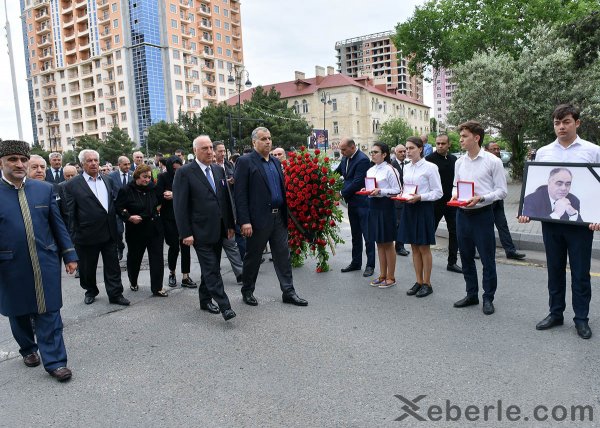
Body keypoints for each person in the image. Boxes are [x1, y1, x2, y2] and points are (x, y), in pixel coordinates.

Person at [519, 104, 600, 339]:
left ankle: (581, 319)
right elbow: (536, 184)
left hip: (581, 225)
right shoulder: (544, 152)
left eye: (566, 121)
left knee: (581, 273)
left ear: (577, 123)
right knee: (554, 270)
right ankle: (555, 313)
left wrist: (598, 217)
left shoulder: (593, 151)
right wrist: (527, 211)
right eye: (557, 122)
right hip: (551, 223)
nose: (561, 127)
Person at [0, 140, 78, 382]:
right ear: (1, 162)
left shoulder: (43, 189)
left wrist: (69, 254)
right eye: (13, 159)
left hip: (44, 262)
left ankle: (55, 362)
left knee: (49, 310)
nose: (19, 164)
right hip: (9, 265)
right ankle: (28, 348)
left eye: (23, 160)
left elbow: (58, 225)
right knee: (19, 312)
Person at [234, 127, 308, 307]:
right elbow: (240, 194)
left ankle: (289, 292)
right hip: (258, 220)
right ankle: (248, 291)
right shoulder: (245, 162)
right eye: (263, 139)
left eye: (269, 138)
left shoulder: (275, 162)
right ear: (254, 142)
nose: (268, 141)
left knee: (283, 256)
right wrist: (245, 221)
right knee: (253, 257)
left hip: (278, 219)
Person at [173, 135, 236, 321]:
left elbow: (225, 199)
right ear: (195, 151)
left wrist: (230, 225)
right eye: (204, 148)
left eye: (210, 147)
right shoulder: (185, 172)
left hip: (218, 229)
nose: (210, 151)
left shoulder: (217, 169)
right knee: (212, 269)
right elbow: (180, 205)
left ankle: (204, 299)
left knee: (212, 267)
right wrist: (185, 233)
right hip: (198, 232)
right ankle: (225, 306)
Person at [452, 121, 507, 316]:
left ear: (476, 138)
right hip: (462, 214)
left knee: (487, 259)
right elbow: (456, 186)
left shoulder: (493, 161)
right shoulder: (459, 161)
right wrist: (455, 195)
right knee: (466, 256)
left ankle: (488, 297)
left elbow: (502, 191)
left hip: (483, 214)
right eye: (460, 136)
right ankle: (471, 294)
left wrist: (482, 198)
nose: (461, 139)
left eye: (464, 136)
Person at [64, 149, 130, 306]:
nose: (93, 163)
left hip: (109, 232)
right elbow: (70, 213)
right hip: (86, 235)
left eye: (95, 160)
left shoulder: (107, 180)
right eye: (89, 160)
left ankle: (115, 294)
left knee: (113, 266)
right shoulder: (72, 185)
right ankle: (90, 290)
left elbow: (113, 203)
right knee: (87, 268)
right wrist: (72, 239)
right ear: (82, 164)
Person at [399, 137, 443, 297]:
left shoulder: (431, 167)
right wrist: (402, 194)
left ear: (420, 149)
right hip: (409, 208)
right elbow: (407, 187)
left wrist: (420, 197)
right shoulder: (407, 167)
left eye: (411, 148)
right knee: (414, 247)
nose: (408, 152)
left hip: (423, 208)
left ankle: (427, 283)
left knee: (424, 247)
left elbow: (438, 192)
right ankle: (418, 281)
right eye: (406, 149)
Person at [115, 165, 167, 297]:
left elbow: (161, 201)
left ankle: (157, 287)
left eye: (149, 177)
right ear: (137, 176)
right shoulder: (126, 190)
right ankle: (133, 281)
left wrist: (166, 198)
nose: (147, 180)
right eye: (144, 177)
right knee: (134, 258)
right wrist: (129, 217)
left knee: (157, 259)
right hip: (136, 230)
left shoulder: (153, 188)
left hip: (155, 229)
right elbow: (118, 207)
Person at [334, 137, 376, 277]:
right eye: (341, 149)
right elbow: (337, 172)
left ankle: (370, 265)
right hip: (352, 202)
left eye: (344, 149)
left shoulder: (362, 159)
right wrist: (323, 177)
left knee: (367, 235)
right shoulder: (345, 158)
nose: (342, 152)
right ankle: (356, 262)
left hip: (363, 203)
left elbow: (357, 182)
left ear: (352, 147)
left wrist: (340, 193)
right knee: (355, 234)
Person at [363, 142, 401, 288]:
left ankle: (391, 276)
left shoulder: (390, 169)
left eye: (375, 152)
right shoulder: (370, 170)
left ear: (384, 154)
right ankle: (382, 274)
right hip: (373, 206)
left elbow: (398, 190)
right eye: (371, 152)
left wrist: (381, 191)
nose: (372, 154)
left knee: (388, 242)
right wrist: (366, 189)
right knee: (378, 241)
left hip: (386, 206)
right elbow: (370, 187)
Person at [156, 155, 197, 288]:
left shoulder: (186, 175)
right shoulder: (163, 177)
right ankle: (172, 273)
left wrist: (175, 194)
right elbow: (158, 195)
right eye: (174, 169)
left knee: (186, 246)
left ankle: (186, 276)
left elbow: (192, 194)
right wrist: (165, 195)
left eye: (178, 168)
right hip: (169, 217)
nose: (176, 171)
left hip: (184, 217)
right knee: (173, 246)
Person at [426, 133, 462, 273]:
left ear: (449, 145)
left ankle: (452, 262)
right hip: (435, 203)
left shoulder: (454, 159)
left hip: (452, 202)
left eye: (443, 143)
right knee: (430, 231)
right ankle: (422, 257)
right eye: (438, 143)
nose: (440, 146)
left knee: (454, 232)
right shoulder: (429, 160)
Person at [484, 142, 526, 260]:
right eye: (494, 149)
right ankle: (479, 250)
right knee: (485, 227)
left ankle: (510, 251)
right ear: (486, 150)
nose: (497, 151)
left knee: (502, 226)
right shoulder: (484, 163)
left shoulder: (498, 163)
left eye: (498, 149)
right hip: (487, 200)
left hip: (498, 200)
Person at [214, 142, 244, 284]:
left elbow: (237, 181)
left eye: (224, 151)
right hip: (213, 215)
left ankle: (240, 274)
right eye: (219, 151)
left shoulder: (228, 165)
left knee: (232, 244)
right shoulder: (209, 168)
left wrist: (232, 181)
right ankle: (213, 276)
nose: (223, 153)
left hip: (229, 209)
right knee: (214, 250)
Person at [109, 156, 133, 261]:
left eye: (129, 164)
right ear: (119, 165)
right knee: (118, 231)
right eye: (125, 164)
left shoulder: (133, 175)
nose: (128, 166)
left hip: (131, 208)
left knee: (131, 232)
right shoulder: (111, 176)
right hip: (117, 208)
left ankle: (132, 250)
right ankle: (120, 246)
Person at [391, 144, 409, 257]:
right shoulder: (391, 165)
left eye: (404, 151)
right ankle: (399, 247)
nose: (403, 153)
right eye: (400, 152)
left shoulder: (408, 165)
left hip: (406, 198)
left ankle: (400, 245)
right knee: (398, 223)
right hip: (396, 199)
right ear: (395, 153)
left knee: (403, 223)